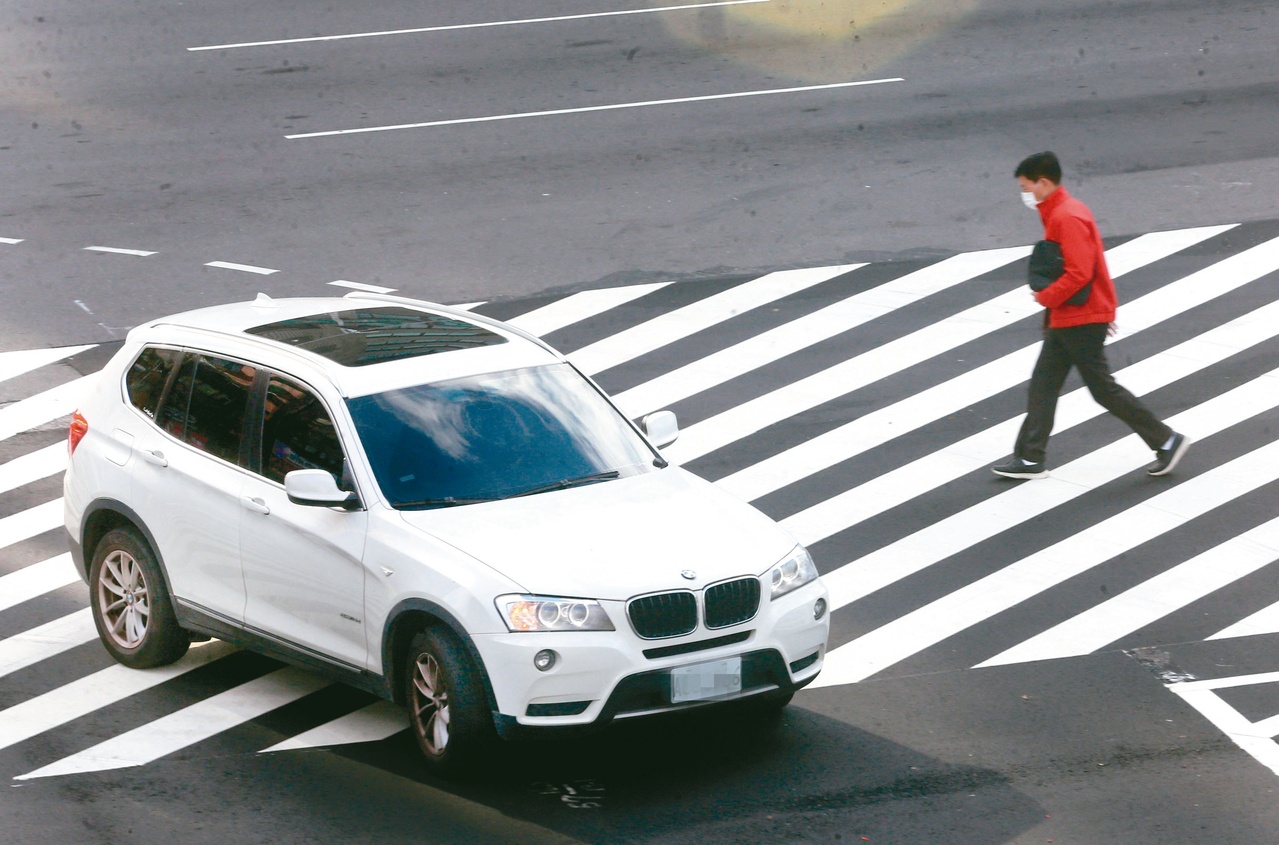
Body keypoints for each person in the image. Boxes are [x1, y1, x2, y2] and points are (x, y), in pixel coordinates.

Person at [993, 151, 1189, 480]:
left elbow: (1080, 272)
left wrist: (1046, 296)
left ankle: (1166, 440)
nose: (1025, 194)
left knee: (1101, 389)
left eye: (1026, 187)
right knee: (1044, 386)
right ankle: (1029, 458)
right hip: (1075, 316)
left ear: (1044, 182)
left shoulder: (1066, 217)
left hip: (1078, 317)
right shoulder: (1062, 211)